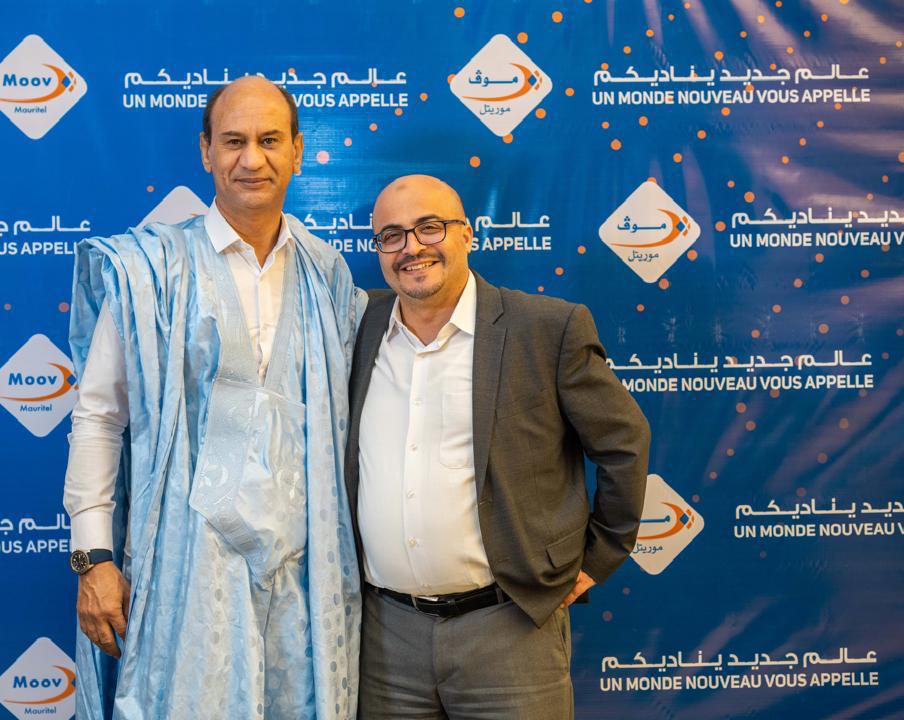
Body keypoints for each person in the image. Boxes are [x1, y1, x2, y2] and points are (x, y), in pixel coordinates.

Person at [63, 77, 364, 720]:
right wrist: (94, 558)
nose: (251, 159)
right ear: (206, 152)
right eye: (233, 141)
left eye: (269, 140)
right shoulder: (151, 270)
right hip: (182, 571)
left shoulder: (328, 274)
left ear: (297, 151)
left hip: (303, 579)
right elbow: (99, 417)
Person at [345, 175, 650, 719]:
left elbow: (623, 442)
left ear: (467, 234)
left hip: (509, 629)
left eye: (429, 227)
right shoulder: (356, 327)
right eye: (391, 235)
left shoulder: (547, 329)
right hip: (385, 640)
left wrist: (599, 557)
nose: (411, 247)